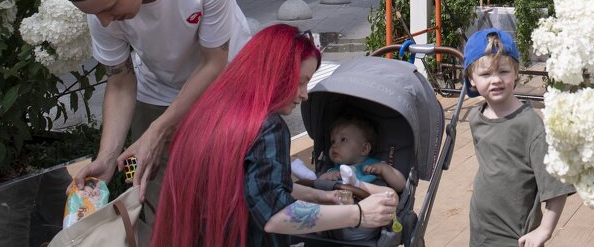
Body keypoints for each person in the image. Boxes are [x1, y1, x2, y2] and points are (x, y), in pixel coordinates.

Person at [59, 0, 252, 225]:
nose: (105, 22)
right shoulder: (100, 9)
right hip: (156, 91)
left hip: (225, 88)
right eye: (96, 14)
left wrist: (158, 130)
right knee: (147, 195)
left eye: (109, 9)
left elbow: (214, 63)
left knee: (217, 200)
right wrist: (107, 156)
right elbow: (120, 80)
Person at [154, 25, 398, 247]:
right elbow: (274, 214)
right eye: (301, 82)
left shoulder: (212, 111)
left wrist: (319, 195)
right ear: (276, 73)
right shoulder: (268, 127)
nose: (304, 95)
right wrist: (360, 215)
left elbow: (256, 187)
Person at [464, 28, 573, 247]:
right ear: (472, 79)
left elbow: (557, 185)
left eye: (503, 71)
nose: (495, 80)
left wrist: (544, 230)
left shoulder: (530, 126)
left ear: (516, 73)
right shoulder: (477, 117)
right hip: (481, 231)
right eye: (485, 74)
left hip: (516, 237)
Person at [316, 112, 407, 243]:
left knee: (391, 194)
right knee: (320, 189)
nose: (335, 145)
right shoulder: (334, 171)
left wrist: (385, 170)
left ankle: (357, 184)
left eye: (343, 140)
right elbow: (317, 191)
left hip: (367, 221)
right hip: (334, 223)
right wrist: (325, 177)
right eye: (332, 141)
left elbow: (401, 185)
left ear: (364, 149)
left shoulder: (375, 166)